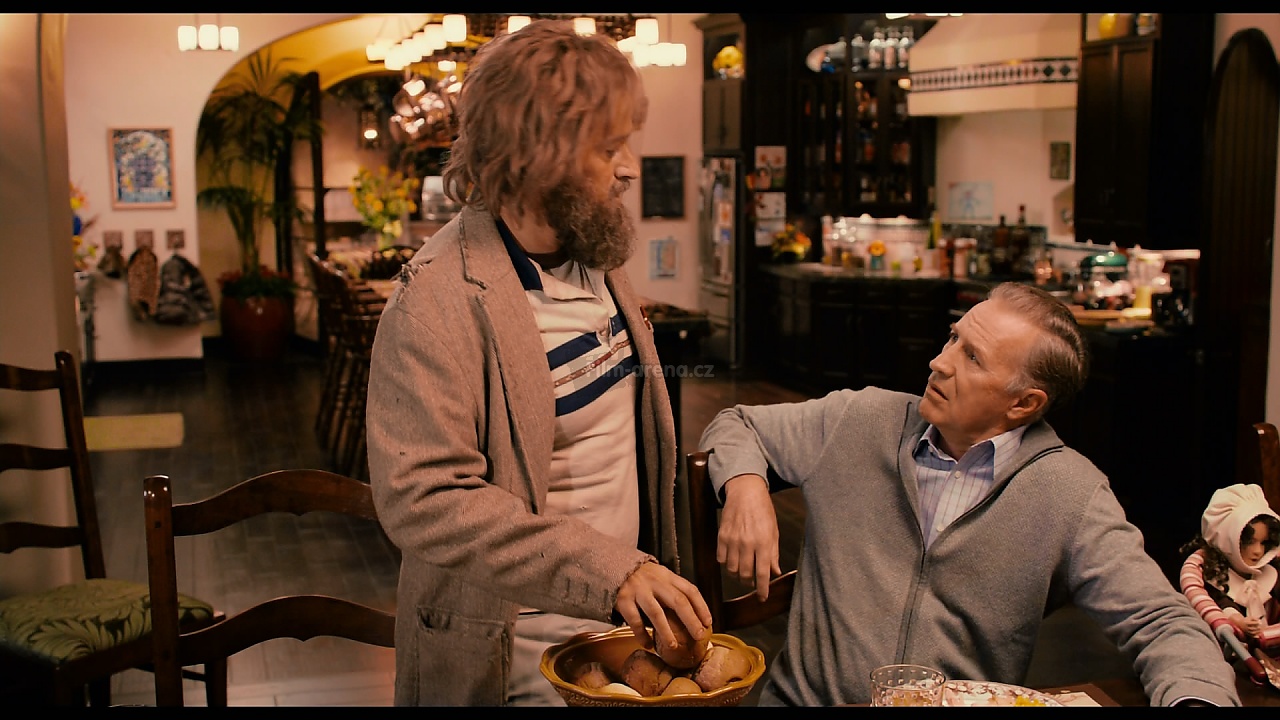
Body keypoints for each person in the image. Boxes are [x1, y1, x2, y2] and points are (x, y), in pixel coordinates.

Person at [365, 20, 711, 706]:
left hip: (617, 633)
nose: (629, 167)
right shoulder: (435, 301)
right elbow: (425, 500)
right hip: (511, 655)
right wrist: (610, 570)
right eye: (607, 148)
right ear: (536, 157)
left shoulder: (594, 254)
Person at [699, 282, 1241, 707]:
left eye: (973, 357)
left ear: (1024, 404)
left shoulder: (1070, 494)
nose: (940, 361)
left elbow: (1162, 622)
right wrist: (745, 485)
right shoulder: (856, 419)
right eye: (952, 338)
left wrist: (1197, 699)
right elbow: (736, 424)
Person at [1180, 484, 1280, 646]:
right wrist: (1238, 622)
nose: (1258, 551)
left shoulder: (1272, 570)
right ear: (1228, 541)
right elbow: (1222, 604)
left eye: (1264, 543)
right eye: (1249, 542)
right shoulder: (1215, 574)